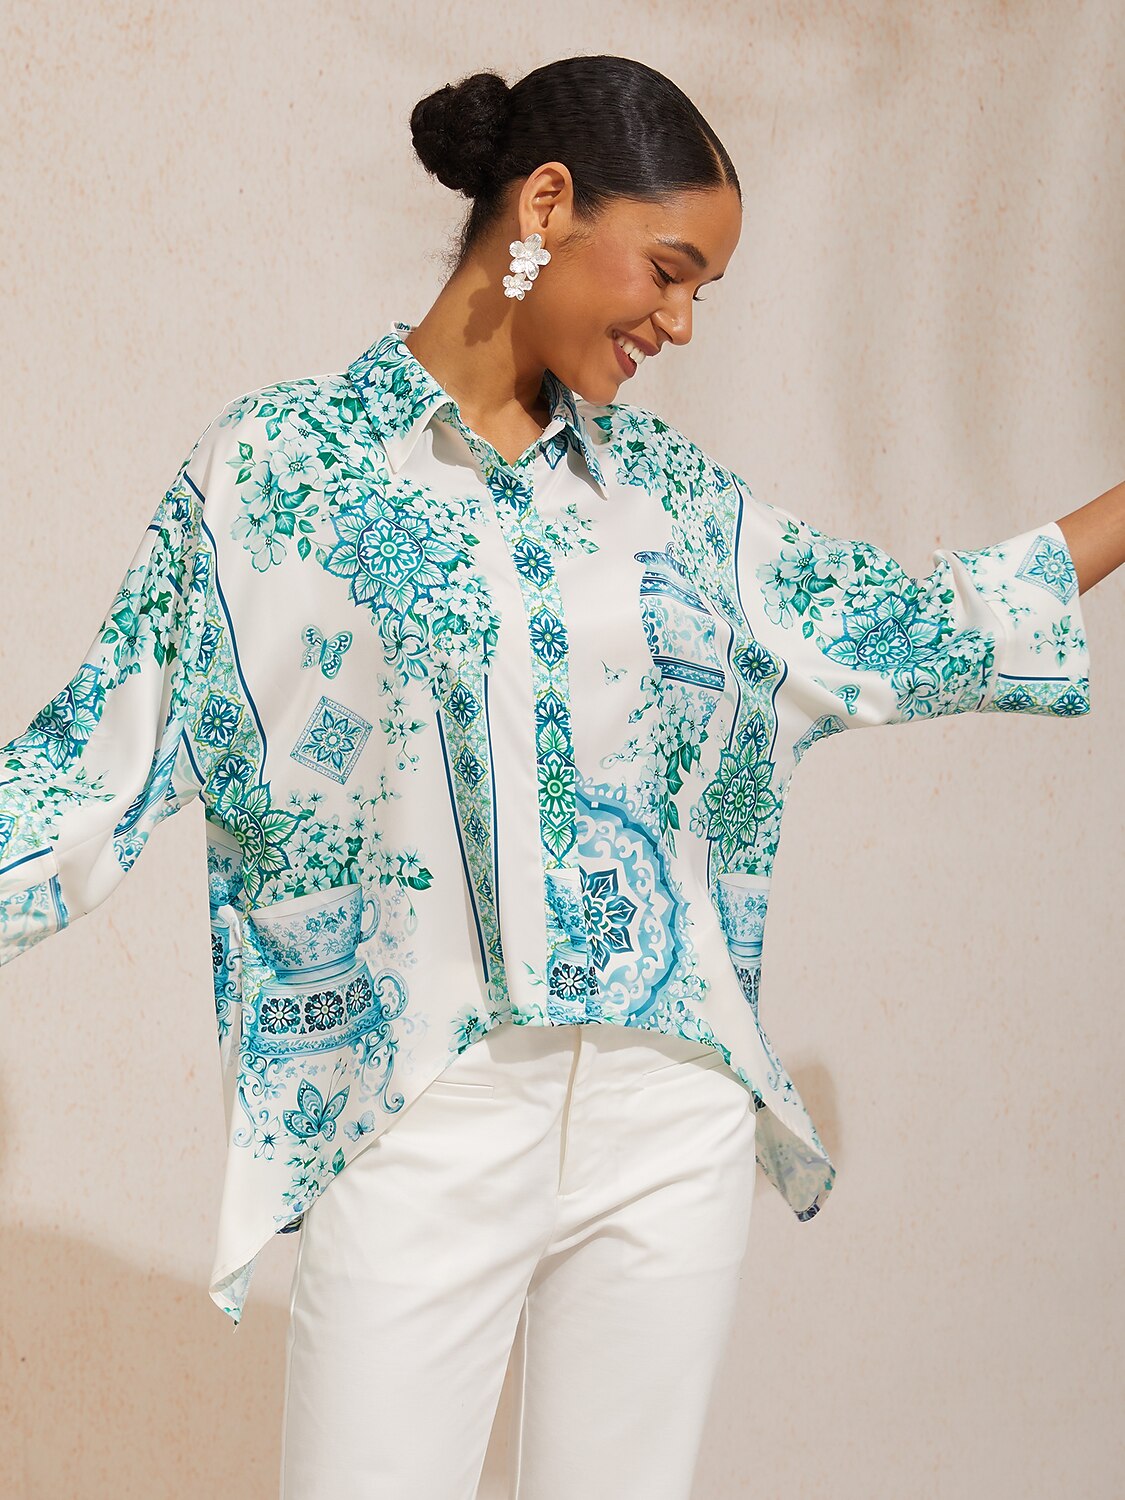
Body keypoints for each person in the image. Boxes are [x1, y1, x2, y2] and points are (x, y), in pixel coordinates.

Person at [0, 52, 1120, 1500]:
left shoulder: (670, 499)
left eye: (703, 289)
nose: (682, 321)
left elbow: (898, 627)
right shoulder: (278, 470)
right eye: (668, 270)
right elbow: (96, 756)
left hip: (670, 1109)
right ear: (543, 206)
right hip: (419, 1102)